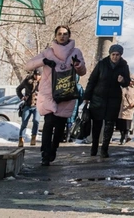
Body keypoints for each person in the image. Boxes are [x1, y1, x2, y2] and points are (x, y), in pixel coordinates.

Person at [24, 25, 87, 166]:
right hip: (49, 94)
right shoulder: (48, 52)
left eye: (65, 34)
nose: (62, 36)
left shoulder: (75, 52)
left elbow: (83, 71)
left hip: (66, 93)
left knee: (59, 127)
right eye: (59, 33)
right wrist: (44, 61)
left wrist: (77, 64)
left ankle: (53, 149)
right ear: (55, 35)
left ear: (69, 36)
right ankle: (45, 154)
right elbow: (28, 65)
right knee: (48, 124)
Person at [83, 44, 131, 158]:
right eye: (113, 54)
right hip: (98, 98)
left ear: (120, 55)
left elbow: (127, 82)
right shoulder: (102, 64)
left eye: (117, 55)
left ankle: (104, 149)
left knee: (109, 124)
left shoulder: (124, 66)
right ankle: (94, 146)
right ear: (110, 54)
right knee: (97, 123)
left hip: (114, 99)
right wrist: (87, 97)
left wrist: (123, 80)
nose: (115, 57)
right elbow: (92, 80)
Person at [15, 69, 41, 147]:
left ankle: (33, 137)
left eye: (39, 75)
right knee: (24, 122)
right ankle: (21, 139)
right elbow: (18, 89)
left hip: (37, 105)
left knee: (36, 121)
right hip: (28, 105)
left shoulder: (43, 82)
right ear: (34, 75)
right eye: (36, 75)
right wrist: (22, 97)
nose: (37, 77)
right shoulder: (27, 80)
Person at [117, 74, 134, 144]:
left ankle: (125, 137)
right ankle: (123, 136)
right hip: (121, 108)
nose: (131, 82)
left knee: (127, 125)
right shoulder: (124, 87)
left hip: (130, 109)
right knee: (121, 124)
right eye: (130, 80)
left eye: (132, 81)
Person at [65, 76, 85, 142]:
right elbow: (82, 97)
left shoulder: (67, 85)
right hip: (74, 106)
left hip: (66, 106)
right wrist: (78, 103)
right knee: (71, 121)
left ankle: (64, 135)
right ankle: (69, 136)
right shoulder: (79, 87)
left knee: (66, 120)